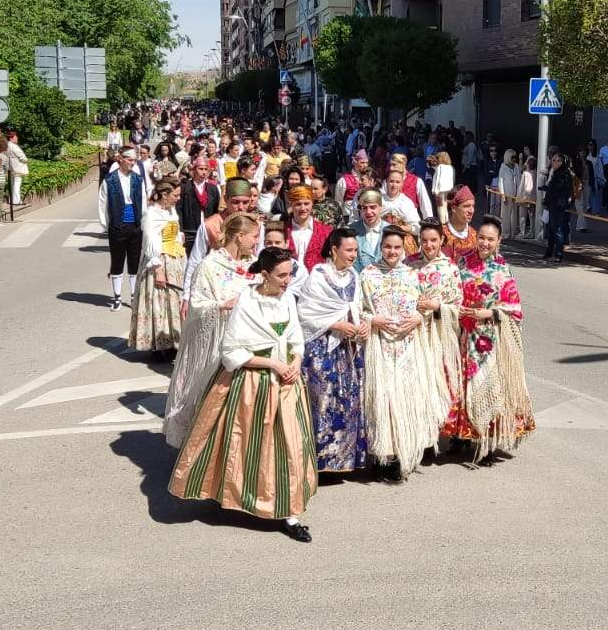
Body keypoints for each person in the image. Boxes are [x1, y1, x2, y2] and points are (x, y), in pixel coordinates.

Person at [167, 247, 316, 543]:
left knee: (290, 445)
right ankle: (239, 495)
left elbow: (295, 337)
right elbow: (231, 350)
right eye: (281, 275)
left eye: (289, 274)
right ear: (265, 275)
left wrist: (296, 361)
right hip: (253, 381)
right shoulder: (247, 301)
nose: (287, 281)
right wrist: (273, 364)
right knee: (246, 441)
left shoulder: (287, 298)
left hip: (287, 382)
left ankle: (290, 513)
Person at [164, 213, 260, 446]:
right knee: (212, 398)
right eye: (254, 236)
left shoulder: (253, 264)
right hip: (217, 343)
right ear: (240, 236)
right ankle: (203, 449)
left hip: (248, 341)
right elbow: (197, 305)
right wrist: (222, 305)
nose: (257, 241)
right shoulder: (209, 266)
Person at [359, 226, 444, 480]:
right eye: (388, 246)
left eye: (397, 247)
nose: (392, 252)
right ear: (381, 247)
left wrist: (418, 317)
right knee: (382, 399)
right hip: (380, 345)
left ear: (404, 248)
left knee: (405, 399)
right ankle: (381, 456)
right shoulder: (367, 275)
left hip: (407, 346)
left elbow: (424, 307)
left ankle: (400, 457)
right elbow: (357, 309)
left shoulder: (412, 275)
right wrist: (372, 319)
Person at [448, 215, 534, 461]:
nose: (485, 243)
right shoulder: (463, 261)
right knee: (462, 386)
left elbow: (514, 309)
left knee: (488, 387)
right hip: (463, 334)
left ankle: (486, 439)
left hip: (489, 338)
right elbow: (452, 291)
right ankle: (461, 435)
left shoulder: (502, 269)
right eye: (482, 238)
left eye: (490, 239)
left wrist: (489, 313)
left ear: (499, 241)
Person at [298, 231, 369, 473]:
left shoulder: (354, 275)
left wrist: (361, 324)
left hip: (348, 348)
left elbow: (356, 308)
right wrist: (336, 324)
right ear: (334, 250)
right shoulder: (318, 275)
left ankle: (343, 461)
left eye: (355, 250)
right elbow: (306, 312)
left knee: (348, 402)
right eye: (349, 250)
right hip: (323, 347)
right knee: (323, 401)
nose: (353, 255)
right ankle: (320, 461)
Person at [411, 221, 466, 440]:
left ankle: (434, 435)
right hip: (414, 332)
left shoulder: (450, 268)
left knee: (437, 383)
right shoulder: (409, 264)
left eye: (433, 240)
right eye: (424, 240)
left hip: (439, 333)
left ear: (441, 240)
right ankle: (420, 438)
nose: (429, 245)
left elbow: (458, 305)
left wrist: (437, 306)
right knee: (417, 384)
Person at [130, 176, 187, 360]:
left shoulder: (170, 211)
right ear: (164, 194)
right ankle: (159, 345)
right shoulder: (152, 214)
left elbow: (174, 233)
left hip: (175, 260)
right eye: (175, 195)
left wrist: (179, 240)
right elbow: (150, 243)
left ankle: (173, 341)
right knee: (159, 302)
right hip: (160, 261)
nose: (178, 198)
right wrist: (158, 269)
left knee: (174, 302)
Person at [98, 149, 148, 312]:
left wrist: (143, 222)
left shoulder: (138, 179)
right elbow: (103, 203)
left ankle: (134, 296)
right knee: (117, 261)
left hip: (135, 224)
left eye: (134, 160)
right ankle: (117, 297)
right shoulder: (110, 180)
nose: (133, 163)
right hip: (117, 225)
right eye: (130, 160)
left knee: (134, 262)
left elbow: (143, 201)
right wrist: (107, 225)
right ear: (120, 159)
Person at [187, 178, 257, 278]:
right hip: (215, 278)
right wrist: (188, 287)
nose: (241, 207)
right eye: (235, 202)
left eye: (245, 202)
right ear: (225, 199)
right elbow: (195, 259)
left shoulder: (255, 224)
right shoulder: (210, 225)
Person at [284, 184, 333, 273]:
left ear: (312, 203)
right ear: (291, 205)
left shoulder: (326, 231)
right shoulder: (282, 231)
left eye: (306, 204)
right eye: (298, 204)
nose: (303, 208)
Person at [541, 153, 576, 263]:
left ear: (561, 162)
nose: (553, 162)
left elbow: (560, 190)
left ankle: (559, 254)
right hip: (553, 204)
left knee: (557, 229)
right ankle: (549, 252)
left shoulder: (564, 174)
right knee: (552, 230)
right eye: (553, 160)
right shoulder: (556, 172)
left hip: (558, 205)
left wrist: (549, 190)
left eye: (556, 160)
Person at [177, 157, 221, 240]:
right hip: (190, 232)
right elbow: (179, 210)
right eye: (201, 169)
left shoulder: (213, 189)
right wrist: (181, 230)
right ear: (194, 170)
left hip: (208, 231)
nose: (204, 172)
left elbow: (216, 211)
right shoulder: (185, 188)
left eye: (206, 169)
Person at [351, 189, 390, 271]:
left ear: (380, 207)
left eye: (372, 207)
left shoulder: (390, 230)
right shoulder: (351, 231)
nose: (368, 212)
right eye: (364, 208)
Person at [496, 150, 522, 238]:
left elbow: (519, 181)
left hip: (515, 195)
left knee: (514, 215)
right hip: (506, 195)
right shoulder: (503, 167)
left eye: (515, 157)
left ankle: (513, 233)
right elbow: (500, 182)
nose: (514, 159)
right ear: (508, 157)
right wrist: (503, 195)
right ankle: (504, 233)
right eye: (512, 157)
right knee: (505, 215)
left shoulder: (516, 167)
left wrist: (518, 195)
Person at [431, 151, 456, 223]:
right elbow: (452, 179)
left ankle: (442, 223)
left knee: (440, 207)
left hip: (440, 190)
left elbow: (437, 179)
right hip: (448, 189)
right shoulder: (450, 167)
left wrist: (435, 190)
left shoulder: (440, 167)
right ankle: (446, 220)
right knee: (445, 206)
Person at [5, 131, 29, 205]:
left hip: (12, 168)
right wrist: (26, 160)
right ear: (11, 138)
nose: (17, 138)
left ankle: (12, 200)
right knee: (17, 185)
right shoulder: (13, 146)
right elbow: (21, 157)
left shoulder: (8, 146)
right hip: (18, 168)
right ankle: (16, 201)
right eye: (15, 137)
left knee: (13, 184)